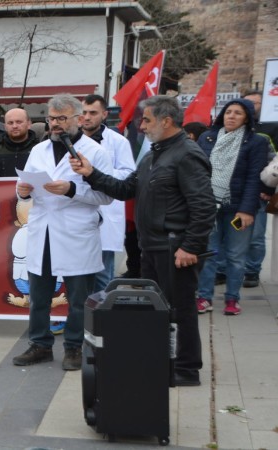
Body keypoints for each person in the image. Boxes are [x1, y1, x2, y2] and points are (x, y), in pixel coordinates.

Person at [70, 95, 216, 386]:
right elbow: (126, 189)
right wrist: (91, 173)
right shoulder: (152, 155)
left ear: (166, 121)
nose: (142, 126)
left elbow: (203, 205)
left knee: (180, 309)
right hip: (151, 247)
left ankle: (186, 369)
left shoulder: (187, 154)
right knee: (157, 310)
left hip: (175, 247)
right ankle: (162, 361)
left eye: (147, 120)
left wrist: (190, 246)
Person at [11, 94, 113, 371]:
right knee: (39, 296)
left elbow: (106, 197)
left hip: (75, 232)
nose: (55, 124)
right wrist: (22, 191)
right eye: (51, 118)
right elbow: (24, 185)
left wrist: (72, 190)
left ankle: (73, 347)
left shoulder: (95, 152)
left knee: (78, 298)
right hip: (42, 230)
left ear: (78, 119)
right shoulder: (39, 150)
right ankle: (40, 344)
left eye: (61, 118)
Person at [195, 98, 270, 316]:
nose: (231, 116)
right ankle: (204, 297)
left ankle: (232, 299)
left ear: (246, 118)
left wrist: (246, 210)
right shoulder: (207, 138)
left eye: (238, 113)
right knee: (207, 253)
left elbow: (254, 179)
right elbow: (197, 172)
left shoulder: (256, 142)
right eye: (228, 112)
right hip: (208, 206)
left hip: (238, 208)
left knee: (236, 255)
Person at [80, 95, 135, 292]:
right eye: (84, 113)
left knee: (103, 275)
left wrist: (96, 172)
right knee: (76, 275)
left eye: (93, 113)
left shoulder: (118, 142)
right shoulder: (72, 140)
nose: (87, 117)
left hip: (105, 211)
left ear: (104, 114)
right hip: (77, 212)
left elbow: (128, 175)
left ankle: (103, 310)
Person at [239, 91, 277, 288]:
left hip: (258, 194)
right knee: (235, 231)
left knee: (256, 235)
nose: (252, 107)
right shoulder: (227, 132)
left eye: (256, 103)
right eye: (248, 103)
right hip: (234, 195)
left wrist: (267, 189)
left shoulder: (269, 129)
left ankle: (252, 271)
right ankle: (225, 269)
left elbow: (273, 165)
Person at [0, 108, 38, 177]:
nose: (14, 126)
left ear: (29, 124)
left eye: (19, 122)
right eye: (10, 123)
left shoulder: (39, 150)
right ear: (5, 127)